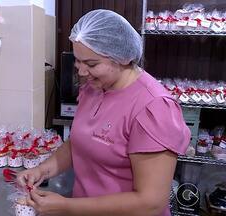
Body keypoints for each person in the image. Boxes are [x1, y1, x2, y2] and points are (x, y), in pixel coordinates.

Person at [17, 9, 191, 216]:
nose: (81, 72)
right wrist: (42, 170)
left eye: (91, 64)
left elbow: (150, 203)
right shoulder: (93, 88)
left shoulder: (153, 108)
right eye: (78, 61)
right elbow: (78, 143)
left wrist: (67, 206)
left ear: (123, 58)